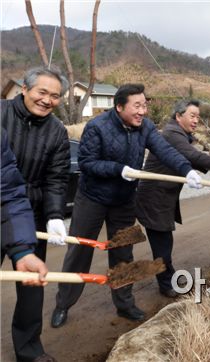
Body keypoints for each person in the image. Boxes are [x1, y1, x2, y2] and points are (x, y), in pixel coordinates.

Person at [51, 84, 203, 328]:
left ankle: (124, 304)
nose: (142, 111)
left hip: (123, 201)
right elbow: (87, 163)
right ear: (119, 106)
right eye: (137, 106)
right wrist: (118, 169)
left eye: (145, 105)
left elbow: (165, 150)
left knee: (123, 253)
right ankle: (63, 303)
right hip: (92, 198)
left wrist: (187, 170)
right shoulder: (97, 127)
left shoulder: (146, 127)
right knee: (79, 251)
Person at [135, 99, 210, 298]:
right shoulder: (172, 134)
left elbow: (192, 158)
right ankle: (166, 284)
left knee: (164, 240)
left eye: (198, 116)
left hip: (162, 196)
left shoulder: (179, 134)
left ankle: (168, 276)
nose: (196, 120)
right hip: (154, 197)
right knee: (162, 242)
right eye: (192, 115)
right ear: (179, 116)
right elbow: (193, 156)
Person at [1, 66, 70, 362]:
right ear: (24, 89)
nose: (47, 100)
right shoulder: (1, 114)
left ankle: (29, 350)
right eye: (42, 92)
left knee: (31, 285)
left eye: (55, 96)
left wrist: (55, 215)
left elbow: (56, 178)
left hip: (30, 216)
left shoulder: (57, 131)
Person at [1, 131, 53, 362]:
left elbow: (8, 192)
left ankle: (29, 349)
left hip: (19, 221)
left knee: (30, 294)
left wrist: (22, 249)